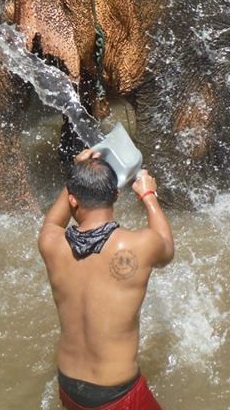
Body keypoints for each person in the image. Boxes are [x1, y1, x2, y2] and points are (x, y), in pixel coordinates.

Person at [39, 148, 174, 410]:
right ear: (116, 195)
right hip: (117, 395)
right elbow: (167, 249)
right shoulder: (140, 244)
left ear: (72, 200)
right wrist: (148, 196)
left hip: (68, 387)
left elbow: (53, 223)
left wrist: (77, 174)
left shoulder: (51, 243)